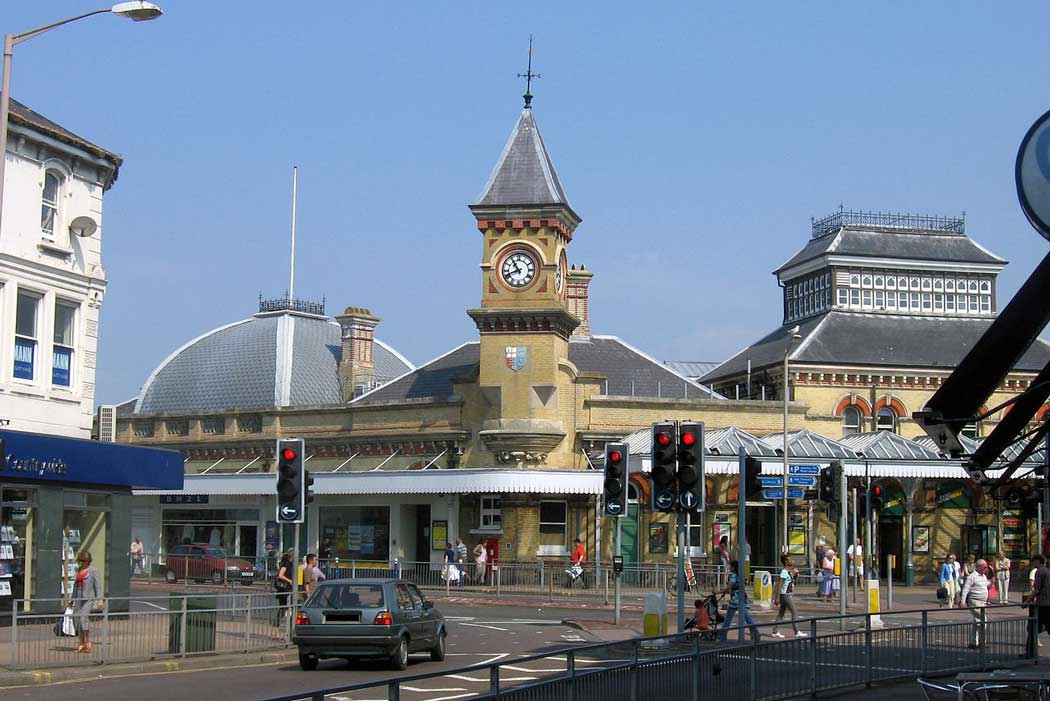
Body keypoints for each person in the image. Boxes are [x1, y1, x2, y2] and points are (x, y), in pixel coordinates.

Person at [718, 560, 760, 641]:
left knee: (729, 618)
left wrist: (718, 592)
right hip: (741, 597)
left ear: (733, 567)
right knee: (747, 617)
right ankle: (755, 633)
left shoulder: (734, 576)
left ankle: (722, 636)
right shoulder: (740, 575)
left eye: (730, 566)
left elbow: (729, 587)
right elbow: (736, 588)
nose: (729, 568)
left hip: (736, 600)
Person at [73, 551, 102, 654]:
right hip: (78, 597)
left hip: (88, 598)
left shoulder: (93, 570)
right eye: (80, 561)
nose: (82, 563)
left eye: (83, 561)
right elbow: (75, 586)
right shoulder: (79, 570)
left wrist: (100, 599)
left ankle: (88, 642)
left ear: (88, 561)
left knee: (83, 618)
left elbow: (97, 586)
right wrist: (72, 600)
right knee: (77, 619)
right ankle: (81, 644)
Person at [772, 554, 806, 638]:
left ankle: (775, 631)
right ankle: (797, 631)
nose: (792, 561)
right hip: (784, 595)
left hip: (787, 594)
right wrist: (777, 598)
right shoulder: (783, 572)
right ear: (786, 562)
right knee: (794, 612)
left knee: (781, 613)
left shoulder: (788, 572)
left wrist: (795, 575)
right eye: (790, 560)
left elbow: (790, 582)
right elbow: (780, 584)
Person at [960, 559, 989, 648]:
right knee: (983, 620)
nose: (986, 569)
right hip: (975, 601)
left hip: (983, 602)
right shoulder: (972, 577)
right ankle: (982, 641)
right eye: (984, 567)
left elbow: (986, 586)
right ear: (979, 567)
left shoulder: (983, 576)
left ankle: (973, 642)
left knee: (977, 622)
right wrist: (962, 601)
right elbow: (966, 589)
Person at [274, 550, 294, 632]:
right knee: (289, 606)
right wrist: (290, 581)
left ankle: (278, 622)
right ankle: (287, 624)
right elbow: (280, 575)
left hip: (282, 589)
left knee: (283, 606)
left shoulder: (284, 563)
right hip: (286, 588)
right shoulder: (287, 564)